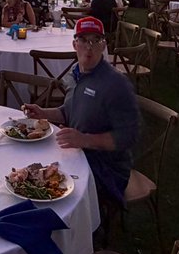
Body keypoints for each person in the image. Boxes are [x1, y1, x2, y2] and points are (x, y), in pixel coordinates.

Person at [21, 17, 139, 205]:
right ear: (74, 44)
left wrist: (85, 140)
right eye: (83, 40)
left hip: (106, 169)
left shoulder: (116, 84)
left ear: (103, 45)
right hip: (77, 153)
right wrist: (43, 113)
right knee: (27, 166)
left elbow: (128, 136)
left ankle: (81, 228)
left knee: (44, 188)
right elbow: (69, 111)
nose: (89, 47)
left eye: (95, 41)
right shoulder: (75, 72)